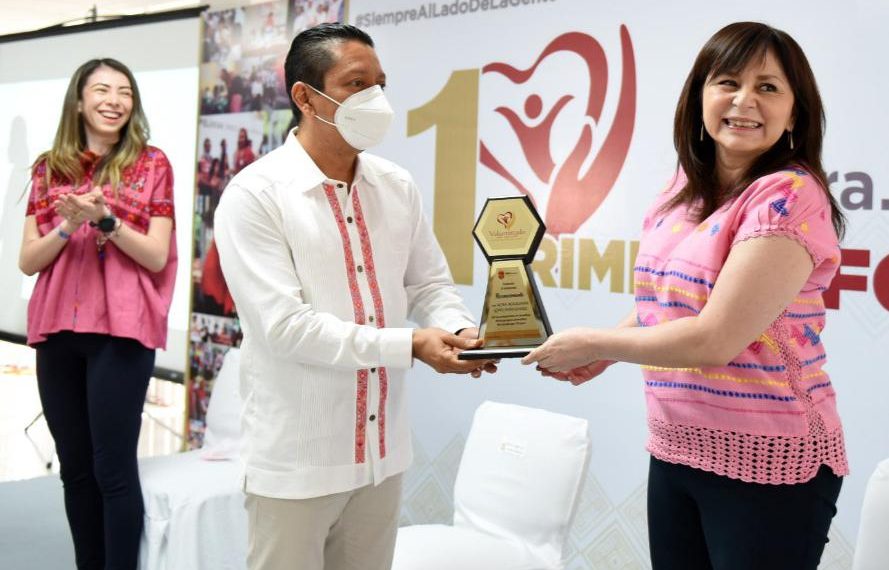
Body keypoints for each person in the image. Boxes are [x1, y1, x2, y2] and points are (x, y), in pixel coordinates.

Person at [523, 22, 847, 570]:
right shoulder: (681, 190)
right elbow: (663, 305)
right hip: (677, 447)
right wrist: (608, 348)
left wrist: (591, 342)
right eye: (727, 82)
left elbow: (714, 337)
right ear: (700, 96)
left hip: (769, 462)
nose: (744, 101)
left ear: (795, 114)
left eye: (768, 88)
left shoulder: (789, 195)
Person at [214, 23, 495, 570]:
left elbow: (430, 284)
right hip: (298, 463)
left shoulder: (396, 186)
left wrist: (460, 329)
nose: (376, 99)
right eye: (356, 83)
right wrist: (410, 345)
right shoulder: (256, 195)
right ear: (305, 97)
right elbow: (286, 328)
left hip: (381, 458)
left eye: (380, 84)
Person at [18, 58, 176, 570]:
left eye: (124, 91)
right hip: (57, 331)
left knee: (113, 469)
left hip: (122, 333)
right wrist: (66, 227)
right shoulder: (49, 168)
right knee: (76, 470)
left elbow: (155, 255)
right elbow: (28, 260)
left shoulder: (152, 164)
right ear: (79, 101)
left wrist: (105, 219)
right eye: (102, 90)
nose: (114, 100)